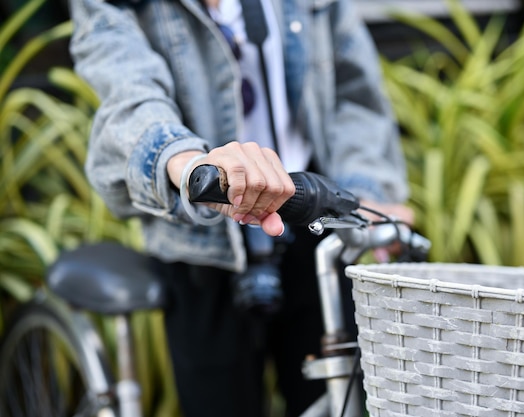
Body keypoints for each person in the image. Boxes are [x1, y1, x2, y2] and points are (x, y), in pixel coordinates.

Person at [68, 0, 413, 416]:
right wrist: (189, 165)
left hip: (312, 221)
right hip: (202, 241)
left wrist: (363, 189)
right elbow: (128, 92)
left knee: (339, 398)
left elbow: (352, 88)